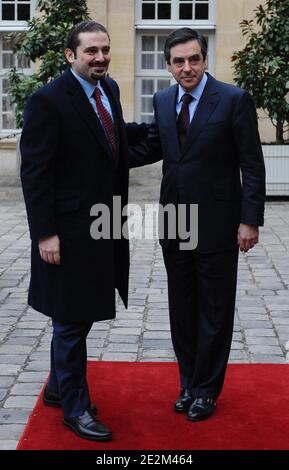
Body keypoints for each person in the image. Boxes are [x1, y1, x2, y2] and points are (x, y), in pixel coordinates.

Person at [20, 20, 147, 441]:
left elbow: (113, 142)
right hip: (69, 231)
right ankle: (75, 408)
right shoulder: (47, 101)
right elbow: (35, 173)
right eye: (91, 51)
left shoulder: (107, 90)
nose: (100, 57)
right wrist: (45, 234)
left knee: (85, 309)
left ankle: (58, 385)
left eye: (105, 50)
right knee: (71, 320)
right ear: (71, 55)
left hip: (104, 224)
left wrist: (168, 132)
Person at [130, 28, 266, 421]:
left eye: (193, 59)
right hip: (175, 221)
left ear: (205, 60)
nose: (186, 67)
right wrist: (106, 153)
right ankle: (188, 382)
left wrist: (249, 220)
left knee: (214, 309)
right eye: (178, 61)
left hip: (219, 223)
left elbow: (252, 165)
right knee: (182, 308)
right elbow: (155, 145)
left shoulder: (234, 100)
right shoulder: (162, 99)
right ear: (168, 65)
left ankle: (207, 389)